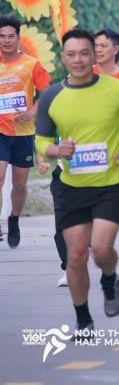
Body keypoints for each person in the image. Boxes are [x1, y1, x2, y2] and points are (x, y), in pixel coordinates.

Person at [35, 28, 119, 332]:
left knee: (101, 249)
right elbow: (41, 141)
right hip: (71, 185)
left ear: (94, 54)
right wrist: (58, 150)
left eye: (85, 53)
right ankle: (83, 318)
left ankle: (109, 278)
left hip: (110, 183)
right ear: (63, 58)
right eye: (71, 54)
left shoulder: (117, 89)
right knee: (76, 255)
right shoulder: (52, 97)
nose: (79, 59)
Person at [0, 16, 52, 247]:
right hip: (0, 130)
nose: (6, 40)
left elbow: (47, 94)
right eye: (2, 36)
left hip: (22, 133)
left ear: (18, 39)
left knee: (20, 185)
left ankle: (14, 218)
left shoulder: (32, 64)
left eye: (11, 36)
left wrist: (31, 113)